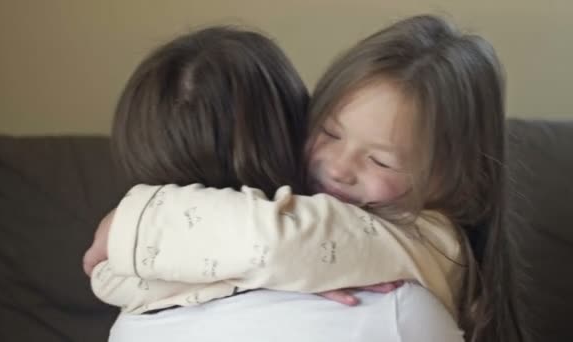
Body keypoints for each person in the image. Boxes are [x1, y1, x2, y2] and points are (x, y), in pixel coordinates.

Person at [85, 15, 509, 341]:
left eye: (381, 161)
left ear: (455, 180)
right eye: (328, 132)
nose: (339, 167)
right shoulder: (308, 216)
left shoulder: (433, 240)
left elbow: (274, 242)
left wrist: (133, 219)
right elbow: (116, 279)